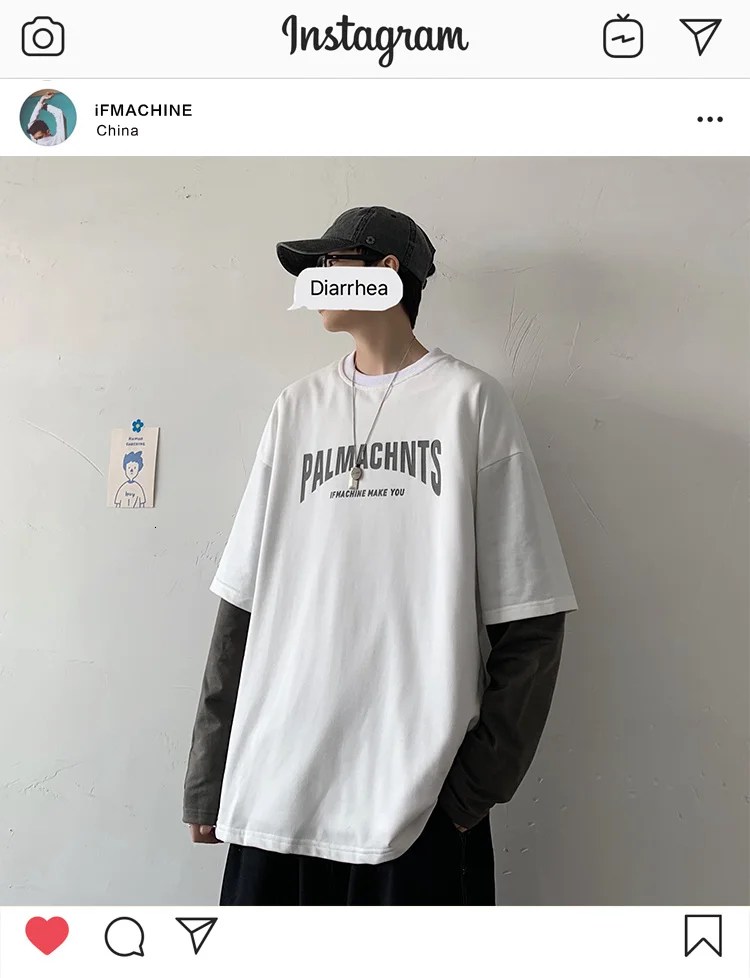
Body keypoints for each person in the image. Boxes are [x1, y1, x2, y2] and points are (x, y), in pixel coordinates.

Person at [182, 205, 579, 905]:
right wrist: (210, 776)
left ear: (386, 272)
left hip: (414, 807)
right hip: (275, 795)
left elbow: (532, 614)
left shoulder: (470, 404)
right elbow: (241, 606)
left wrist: (471, 792)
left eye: (329, 264)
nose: (313, 279)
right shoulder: (296, 409)